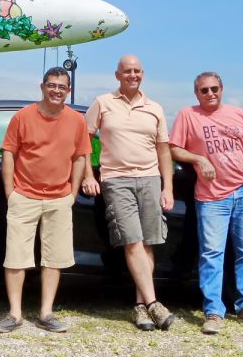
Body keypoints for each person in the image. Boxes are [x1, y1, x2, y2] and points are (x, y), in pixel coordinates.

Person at [168, 71, 243, 335]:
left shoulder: (239, 113)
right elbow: (174, 148)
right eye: (204, 90)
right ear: (196, 93)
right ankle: (213, 311)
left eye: (214, 89)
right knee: (212, 254)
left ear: (222, 89)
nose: (210, 93)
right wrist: (199, 159)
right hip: (212, 197)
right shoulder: (188, 115)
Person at [0, 67, 91, 333]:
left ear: (68, 91)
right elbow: (9, 154)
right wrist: (10, 192)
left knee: (54, 258)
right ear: (42, 87)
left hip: (59, 198)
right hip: (24, 195)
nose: (56, 90)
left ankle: (46, 314)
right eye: (52, 85)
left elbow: (80, 157)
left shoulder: (77, 121)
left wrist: (72, 194)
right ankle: (15, 314)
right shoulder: (23, 117)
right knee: (16, 257)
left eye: (62, 87)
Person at [81, 54, 176, 331]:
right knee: (132, 241)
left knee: (147, 244)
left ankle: (141, 307)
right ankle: (155, 303)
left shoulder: (155, 108)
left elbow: (163, 150)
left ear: (142, 74)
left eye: (136, 71)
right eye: (127, 71)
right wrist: (88, 174)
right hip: (116, 179)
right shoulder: (103, 103)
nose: (132, 75)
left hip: (150, 179)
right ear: (117, 75)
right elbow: (84, 140)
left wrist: (168, 187)